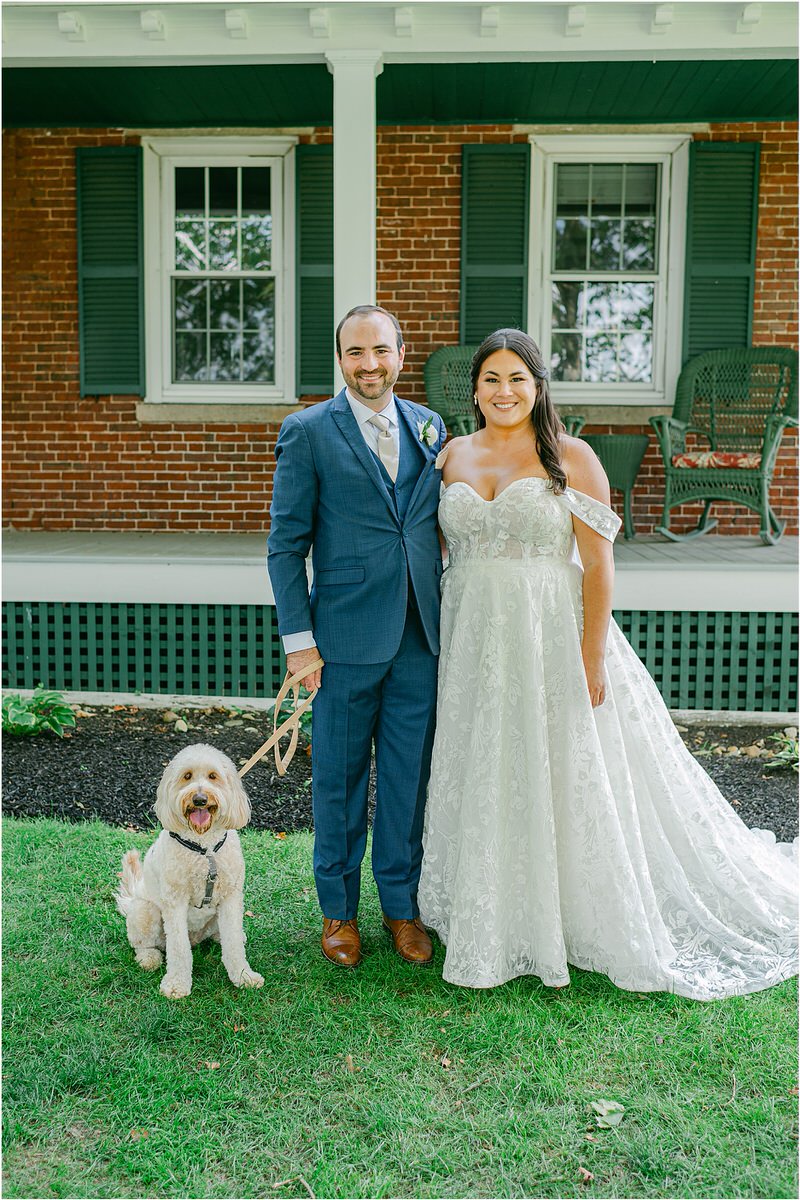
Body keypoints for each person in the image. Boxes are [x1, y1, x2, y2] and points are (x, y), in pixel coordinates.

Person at [418, 327, 798, 998]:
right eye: (491, 380)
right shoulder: (451, 456)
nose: (504, 392)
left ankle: (568, 910)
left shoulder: (571, 456)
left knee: (564, 768)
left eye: (517, 380)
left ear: (538, 389)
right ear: (474, 390)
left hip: (553, 635)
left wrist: (592, 655)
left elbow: (598, 564)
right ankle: (491, 907)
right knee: (488, 762)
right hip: (473, 637)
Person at [268, 305, 446, 968]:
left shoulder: (430, 426)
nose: (369, 365)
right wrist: (300, 641)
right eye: (355, 353)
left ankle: (402, 909)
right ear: (339, 358)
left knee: (408, 781)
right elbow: (286, 548)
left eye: (381, 351)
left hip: (419, 637)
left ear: (401, 352)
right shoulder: (308, 431)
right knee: (337, 784)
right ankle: (338, 913)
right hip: (339, 642)